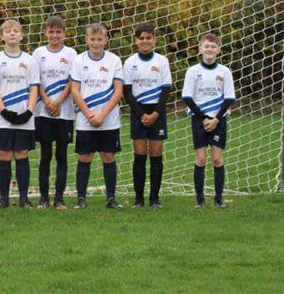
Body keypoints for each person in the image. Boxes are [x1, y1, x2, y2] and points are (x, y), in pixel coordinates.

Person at [69, 23, 124, 210]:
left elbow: (118, 91)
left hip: (108, 120)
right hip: (86, 119)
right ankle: (81, 199)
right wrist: (89, 114)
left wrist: (102, 114)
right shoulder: (78, 61)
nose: (96, 43)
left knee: (108, 156)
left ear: (106, 40)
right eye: (92, 39)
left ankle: (111, 199)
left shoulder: (114, 60)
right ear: (86, 40)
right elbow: (75, 91)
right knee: (84, 157)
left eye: (99, 39)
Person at [0, 19, 40, 209]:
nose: (12, 34)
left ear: (21, 35)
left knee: (22, 154)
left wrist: (29, 111)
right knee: (4, 154)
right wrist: (3, 111)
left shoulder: (30, 60)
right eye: (8, 31)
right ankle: (4, 199)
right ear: (2, 37)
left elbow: (34, 88)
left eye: (16, 31)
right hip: (3, 118)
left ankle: (24, 199)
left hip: (25, 116)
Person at [182, 33, 236, 209]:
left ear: (218, 50)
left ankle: (219, 198)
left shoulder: (224, 71)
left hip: (218, 120)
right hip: (199, 120)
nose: (209, 49)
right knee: (200, 159)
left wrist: (215, 119)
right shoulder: (193, 71)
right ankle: (199, 199)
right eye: (206, 46)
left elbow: (229, 98)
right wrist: (204, 118)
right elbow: (187, 97)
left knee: (218, 159)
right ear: (200, 49)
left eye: (213, 47)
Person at [123, 23, 172, 208]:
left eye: (148, 37)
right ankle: (138, 199)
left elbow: (166, 90)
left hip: (157, 112)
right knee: (140, 155)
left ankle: (154, 198)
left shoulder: (162, 61)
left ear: (154, 40)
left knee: (156, 154)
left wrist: (155, 113)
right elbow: (127, 92)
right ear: (136, 40)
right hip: (139, 112)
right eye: (141, 38)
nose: (145, 41)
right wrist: (142, 114)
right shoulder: (129, 62)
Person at [32, 15, 77, 209]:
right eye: (51, 31)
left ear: (64, 33)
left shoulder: (71, 54)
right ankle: (43, 198)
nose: (54, 35)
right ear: (45, 33)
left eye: (58, 32)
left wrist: (58, 102)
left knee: (61, 155)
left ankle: (59, 199)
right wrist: (47, 101)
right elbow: (36, 80)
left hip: (64, 112)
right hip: (43, 111)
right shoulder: (38, 53)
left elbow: (72, 81)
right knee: (45, 155)